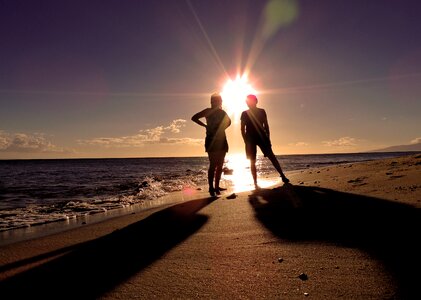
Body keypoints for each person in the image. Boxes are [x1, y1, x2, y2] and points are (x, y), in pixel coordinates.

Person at [240, 94, 289, 189]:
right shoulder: (244, 113)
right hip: (250, 138)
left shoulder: (262, 111)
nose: (249, 103)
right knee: (252, 161)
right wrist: (245, 140)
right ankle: (255, 183)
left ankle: (282, 176)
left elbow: (266, 125)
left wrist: (268, 138)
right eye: (248, 101)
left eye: (251, 101)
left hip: (262, 137)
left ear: (256, 101)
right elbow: (242, 128)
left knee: (271, 156)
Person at [192, 93, 231, 197]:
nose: (217, 102)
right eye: (215, 100)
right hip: (211, 141)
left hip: (222, 140)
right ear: (212, 101)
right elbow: (194, 118)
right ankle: (211, 187)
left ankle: (217, 186)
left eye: (219, 101)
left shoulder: (222, 112)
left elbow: (229, 122)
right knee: (213, 165)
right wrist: (205, 126)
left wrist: (221, 128)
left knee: (220, 165)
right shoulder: (207, 111)